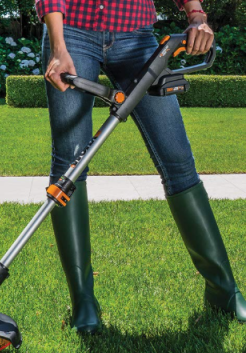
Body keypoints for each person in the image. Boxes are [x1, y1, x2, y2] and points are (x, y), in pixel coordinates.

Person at [37, 0, 241, 332]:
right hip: (71, 33)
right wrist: (58, 47)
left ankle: (224, 291)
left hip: (136, 36)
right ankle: (83, 303)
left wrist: (196, 15)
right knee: (70, 163)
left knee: (177, 159)